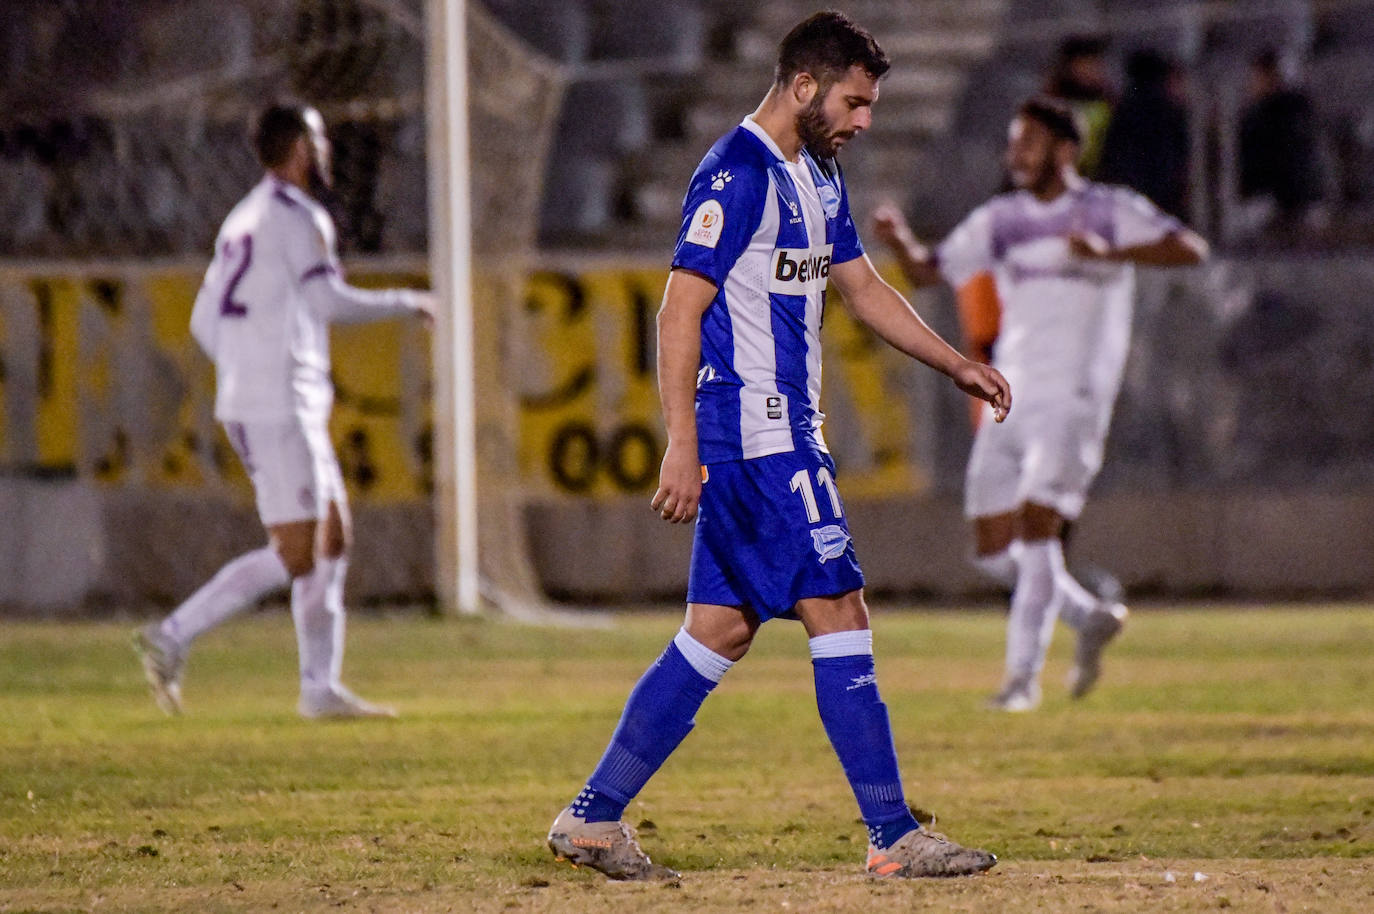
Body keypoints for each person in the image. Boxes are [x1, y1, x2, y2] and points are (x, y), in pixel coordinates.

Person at [545, 11, 1009, 883]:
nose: (864, 120)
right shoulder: (735, 172)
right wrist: (682, 442)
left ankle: (593, 819)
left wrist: (955, 364)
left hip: (782, 431)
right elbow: (678, 311)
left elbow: (863, 289)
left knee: (717, 632)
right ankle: (891, 835)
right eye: (854, 101)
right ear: (804, 86)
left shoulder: (820, 172)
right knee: (840, 607)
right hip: (756, 436)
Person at [872, 96, 1208, 712]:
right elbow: (926, 272)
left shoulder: (1109, 210)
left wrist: (1113, 255)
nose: (1015, 154)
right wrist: (898, 241)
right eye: (1013, 142)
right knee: (992, 547)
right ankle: (1086, 616)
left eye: (1028, 142)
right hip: (1012, 390)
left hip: (1075, 396)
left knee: (1036, 531)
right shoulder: (1001, 219)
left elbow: (1191, 249)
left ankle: (1020, 685)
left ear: (1065, 150)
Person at [133, 103, 435, 719]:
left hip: (266, 395)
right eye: (319, 140)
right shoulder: (300, 218)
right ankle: (171, 635)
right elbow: (326, 302)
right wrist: (408, 301)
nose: (326, 151)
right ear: (299, 146)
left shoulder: (243, 216)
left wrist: (243, 369)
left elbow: (201, 319)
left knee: (332, 537)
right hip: (276, 402)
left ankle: (318, 688)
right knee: (298, 551)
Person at [1098, 49, 1192, 221]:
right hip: (1164, 190)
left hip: (1130, 190)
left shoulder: (1122, 109)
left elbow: (1111, 153)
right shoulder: (1169, 109)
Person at [1238, 47, 1323, 235]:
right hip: (1280, 198)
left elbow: (1287, 163)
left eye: (1257, 77)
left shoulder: (1281, 114)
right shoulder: (1269, 112)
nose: (1252, 83)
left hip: (1282, 200)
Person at [1043, 34, 1114, 179]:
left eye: (1096, 64)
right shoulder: (1051, 105)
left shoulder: (1108, 103)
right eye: (1086, 64)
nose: (1094, 70)